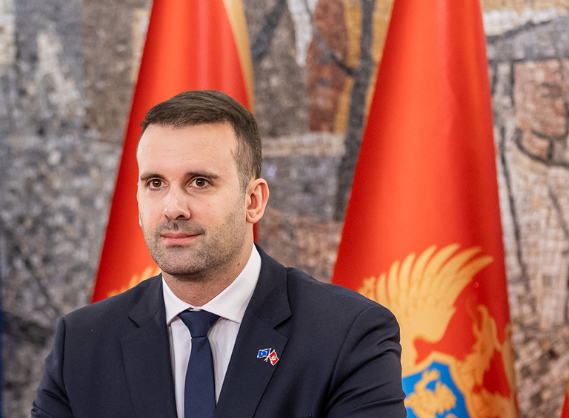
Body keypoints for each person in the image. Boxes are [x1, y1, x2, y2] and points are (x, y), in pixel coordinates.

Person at [31, 90, 406, 418]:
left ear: (253, 201)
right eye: (155, 183)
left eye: (199, 182)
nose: (173, 208)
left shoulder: (348, 335)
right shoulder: (80, 344)